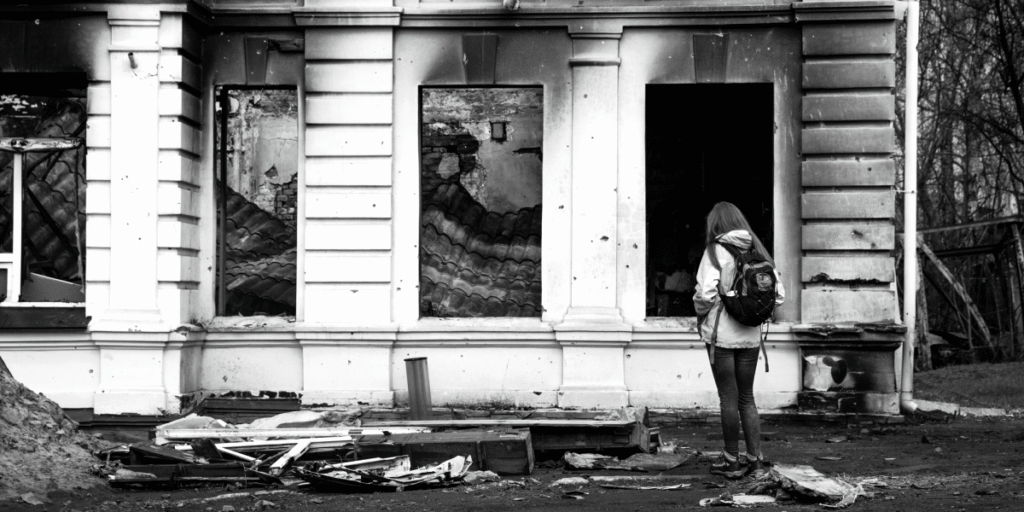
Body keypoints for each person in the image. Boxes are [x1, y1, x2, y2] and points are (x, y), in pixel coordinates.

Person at [693, 202, 785, 479]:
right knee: (747, 397)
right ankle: (755, 460)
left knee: (728, 399)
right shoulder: (756, 250)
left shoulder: (715, 251)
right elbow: (778, 296)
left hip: (721, 336)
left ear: (716, 224)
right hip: (750, 336)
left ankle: (731, 461)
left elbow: (706, 293)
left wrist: (703, 312)